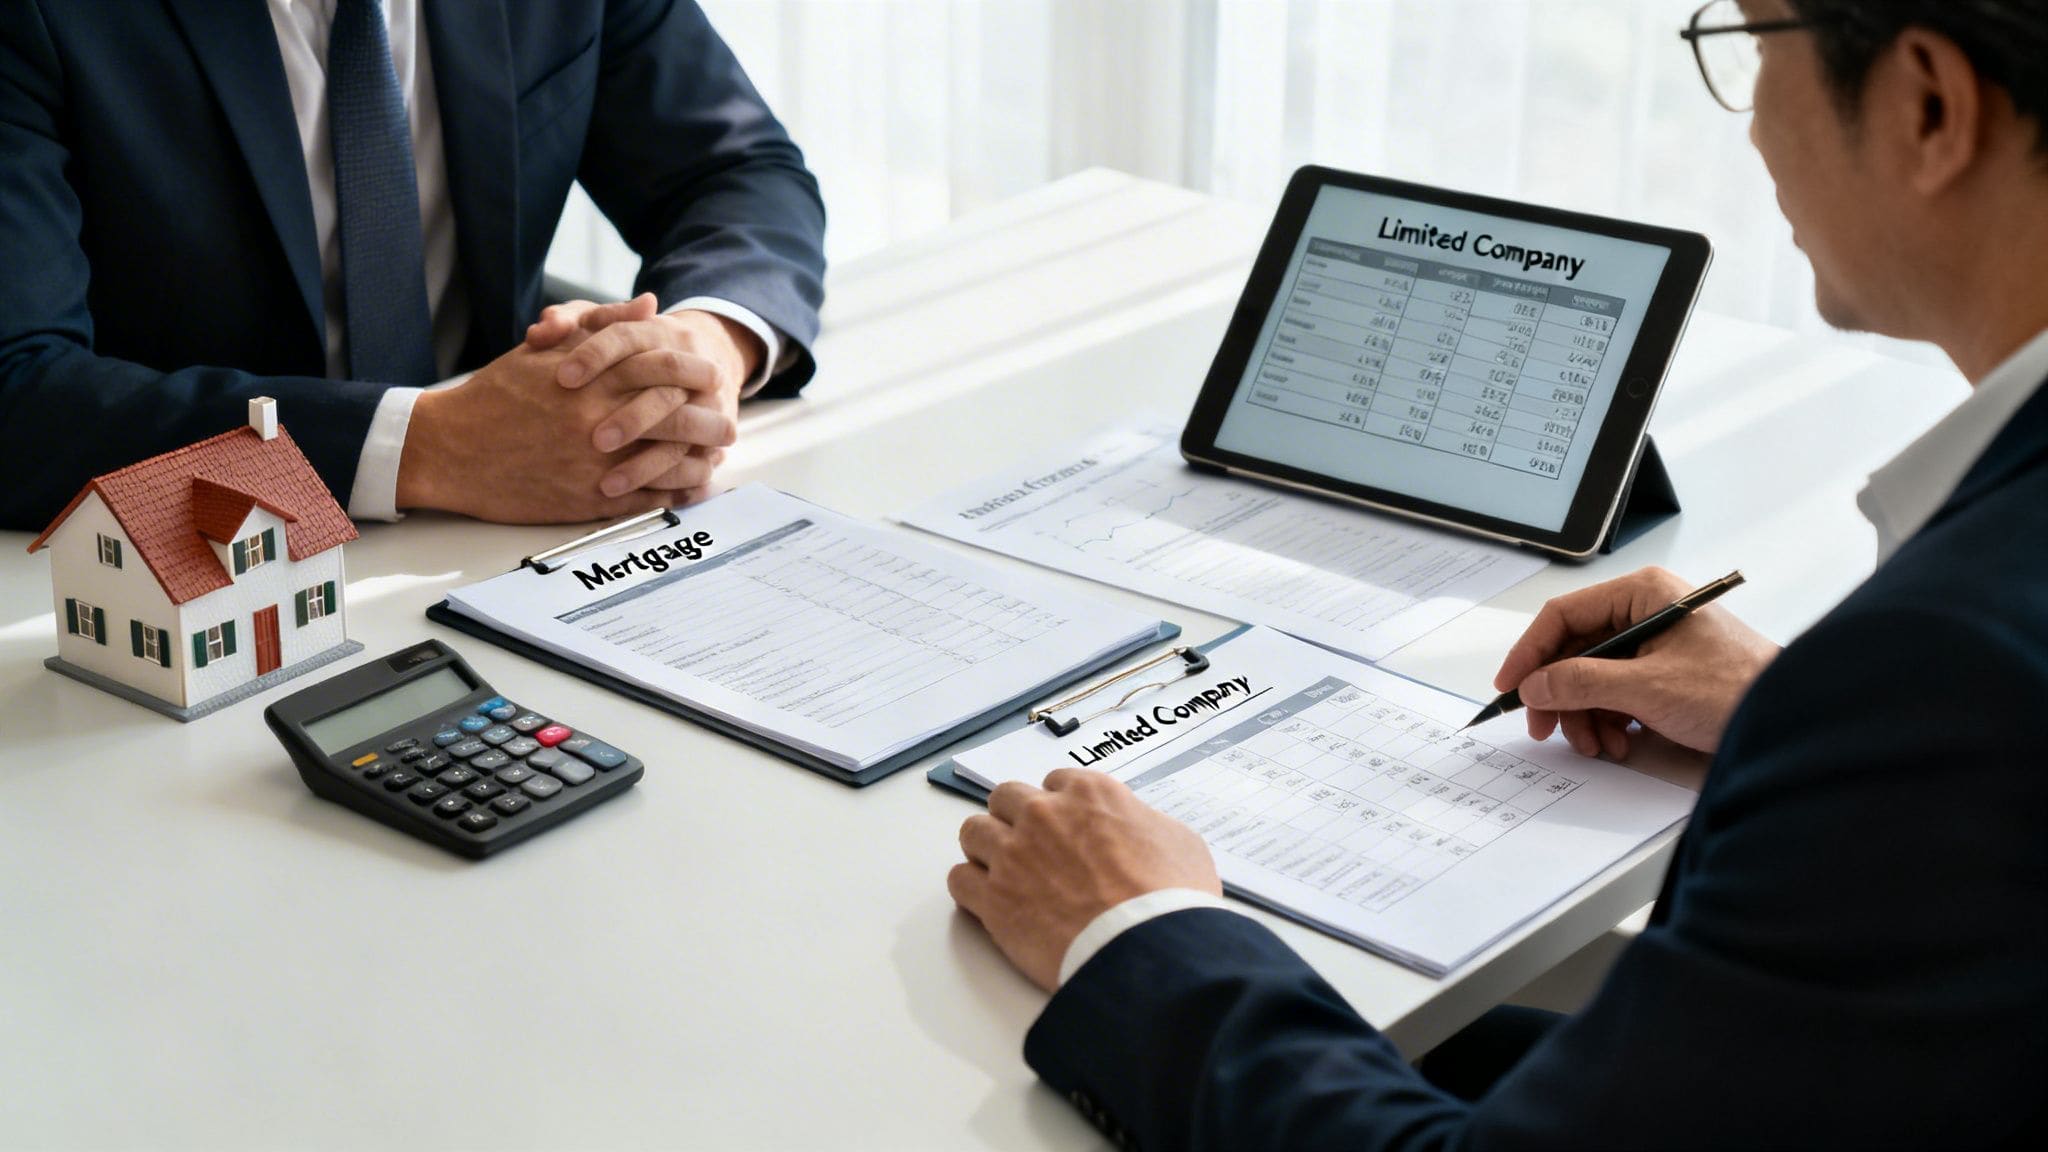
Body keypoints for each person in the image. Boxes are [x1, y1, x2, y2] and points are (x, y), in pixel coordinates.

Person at [948, 1, 2048, 1146]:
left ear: (1926, 105)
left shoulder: (1943, 671)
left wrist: (1134, 929)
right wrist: (1793, 719)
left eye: (1753, 45)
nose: (1752, 125)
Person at [0, 0, 825, 531]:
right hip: (201, 571)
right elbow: (17, 389)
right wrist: (432, 446)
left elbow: (735, 170)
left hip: (529, 540)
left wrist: (702, 347)